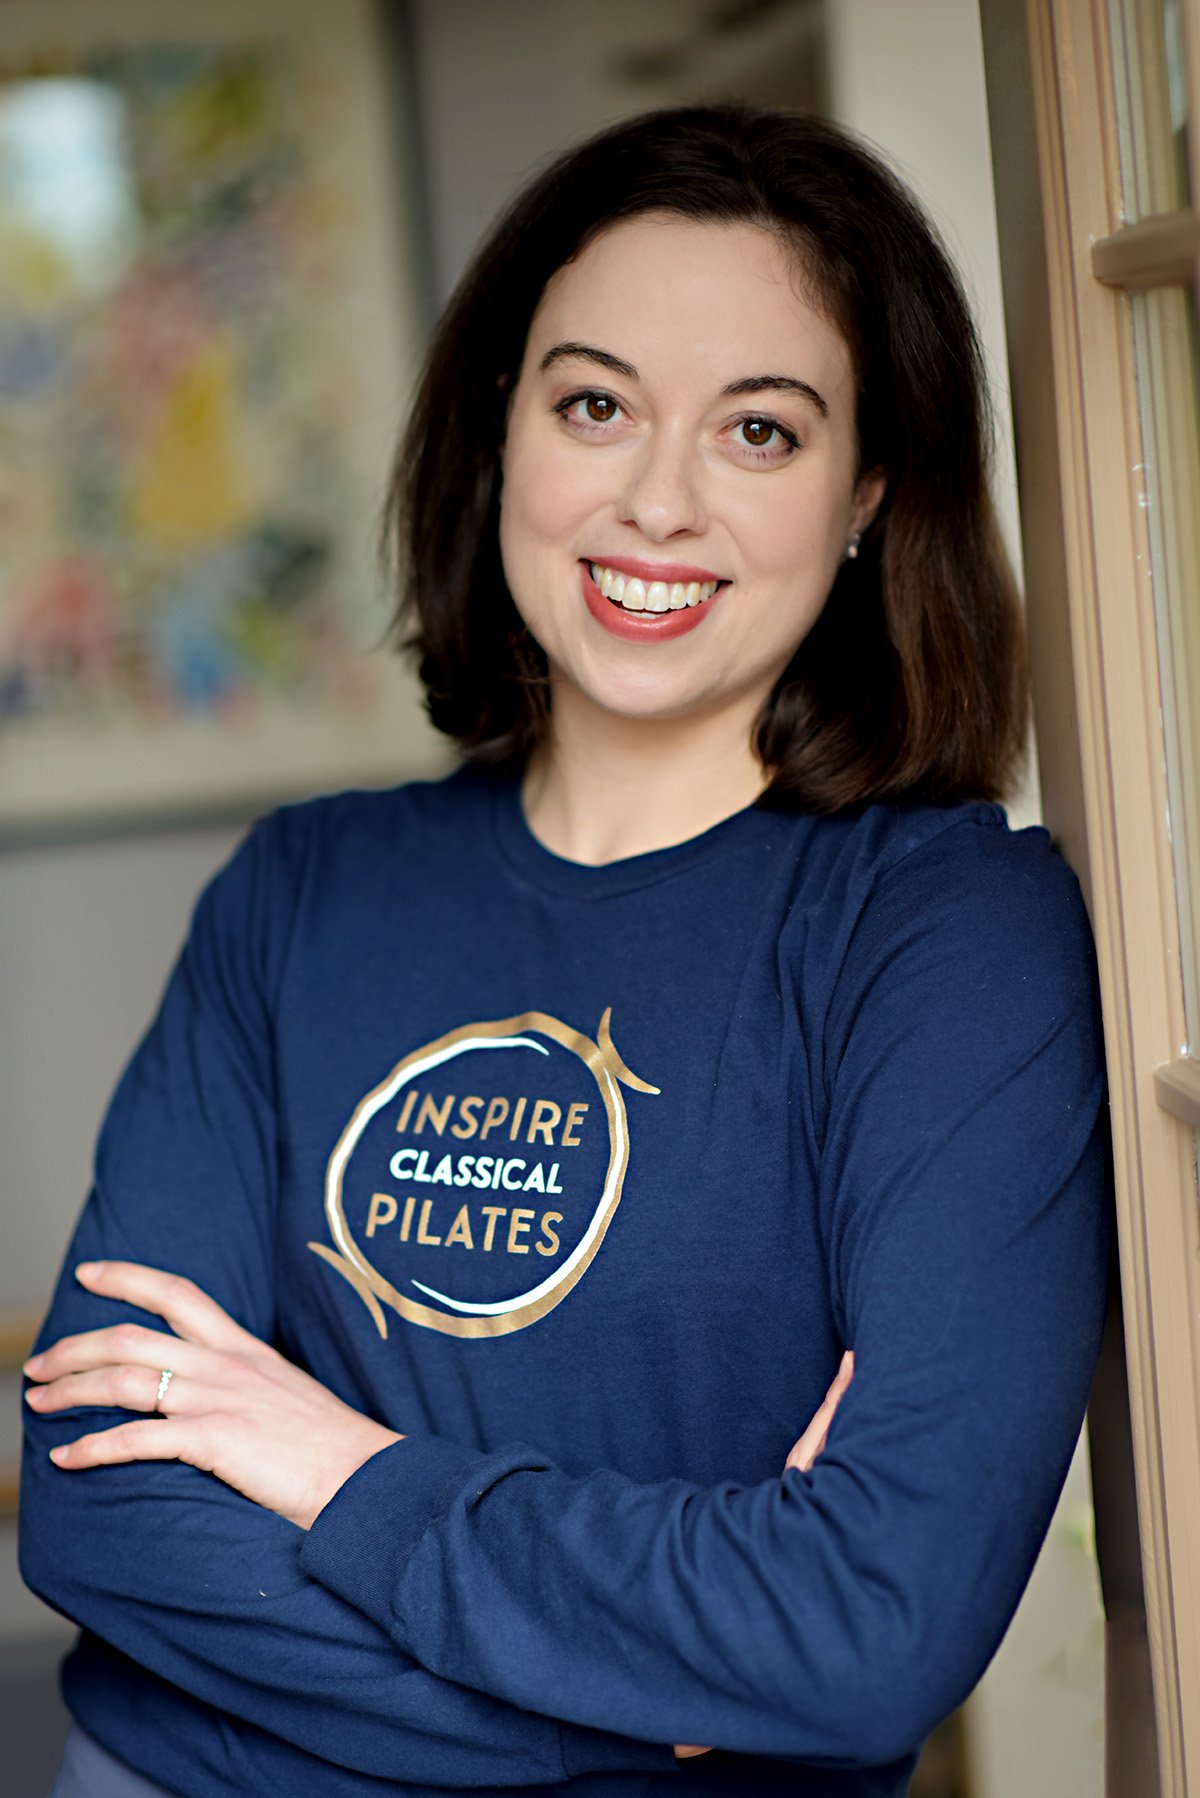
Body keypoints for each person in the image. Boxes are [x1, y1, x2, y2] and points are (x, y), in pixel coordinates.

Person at [20, 104, 1109, 1797]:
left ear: (867, 491)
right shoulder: (302, 892)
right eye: (596, 405)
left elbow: (873, 1622)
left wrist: (334, 1465)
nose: (656, 502)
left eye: (759, 429)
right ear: (499, 435)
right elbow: (102, 1497)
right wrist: (648, 1684)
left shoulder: (948, 934)